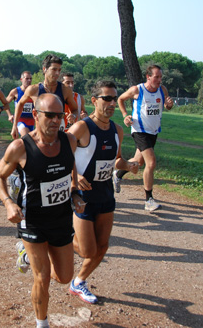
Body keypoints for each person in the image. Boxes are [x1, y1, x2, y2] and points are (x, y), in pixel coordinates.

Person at [0, 93, 84, 328]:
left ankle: (28, 256)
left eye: (60, 115)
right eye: (50, 115)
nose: (56, 120)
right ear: (35, 115)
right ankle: (41, 323)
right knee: (42, 277)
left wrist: (74, 191)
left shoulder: (69, 141)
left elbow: (70, 165)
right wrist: (8, 203)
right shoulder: (20, 147)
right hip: (31, 219)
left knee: (64, 277)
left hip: (61, 219)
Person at [67, 81, 138, 304]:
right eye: (106, 98)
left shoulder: (117, 130)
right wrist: (75, 177)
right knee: (88, 250)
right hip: (83, 195)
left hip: (105, 193)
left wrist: (127, 165)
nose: (111, 103)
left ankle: (78, 282)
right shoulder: (81, 128)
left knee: (103, 246)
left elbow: (116, 160)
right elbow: (62, 155)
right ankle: (53, 240)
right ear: (95, 101)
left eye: (113, 99)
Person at [114, 64, 174, 212]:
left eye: (161, 77)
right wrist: (125, 115)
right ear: (148, 77)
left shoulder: (162, 90)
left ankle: (118, 174)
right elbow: (120, 99)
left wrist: (169, 105)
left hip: (153, 131)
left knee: (139, 162)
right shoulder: (137, 90)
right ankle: (149, 200)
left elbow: (167, 107)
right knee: (151, 162)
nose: (159, 80)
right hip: (139, 129)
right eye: (157, 77)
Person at [10, 54, 78, 140]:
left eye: (59, 70)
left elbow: (75, 110)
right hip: (40, 137)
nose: (57, 73)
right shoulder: (33, 90)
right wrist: (14, 126)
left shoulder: (65, 90)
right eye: (54, 69)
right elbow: (20, 104)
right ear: (44, 69)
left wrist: (74, 116)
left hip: (58, 137)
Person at [6, 71, 35, 137]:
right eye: (27, 79)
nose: (29, 80)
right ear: (21, 79)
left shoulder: (34, 91)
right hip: (20, 120)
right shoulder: (15, 91)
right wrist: (9, 115)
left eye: (30, 79)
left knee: (30, 141)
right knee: (27, 137)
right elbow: (6, 103)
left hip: (31, 121)